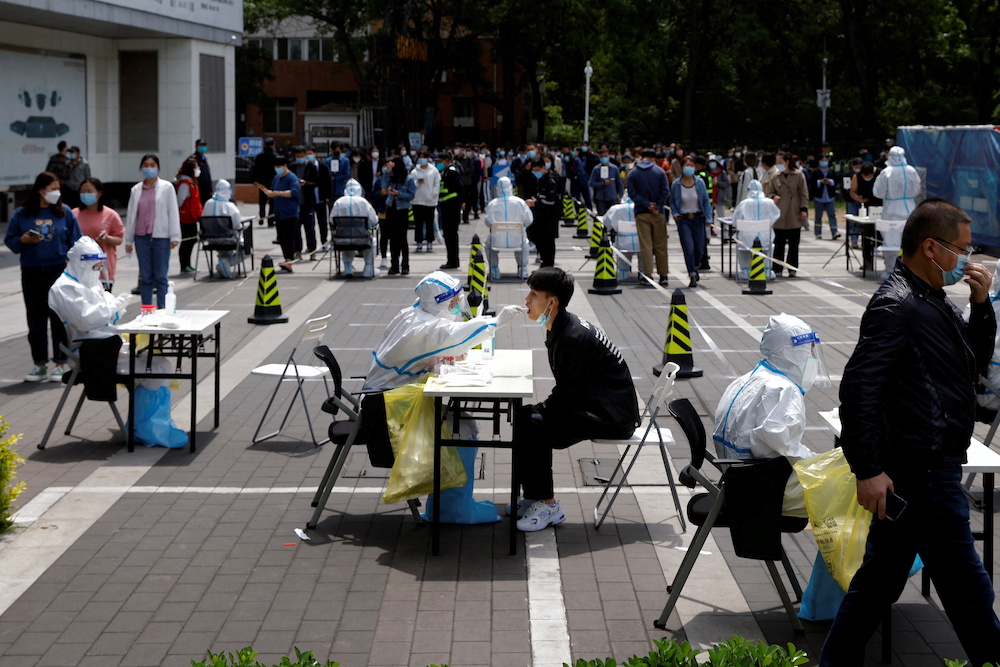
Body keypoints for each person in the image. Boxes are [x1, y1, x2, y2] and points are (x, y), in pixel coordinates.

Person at [820, 199, 1000, 665]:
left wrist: (981, 308)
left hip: (923, 464)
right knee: (969, 590)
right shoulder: (897, 304)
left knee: (879, 581)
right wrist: (868, 470)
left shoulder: (929, 298)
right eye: (961, 249)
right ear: (930, 247)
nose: (968, 258)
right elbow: (859, 389)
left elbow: (971, 366)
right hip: (921, 471)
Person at [511, 267, 640, 531]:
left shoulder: (571, 337)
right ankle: (534, 497)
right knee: (525, 416)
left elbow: (569, 394)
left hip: (612, 417)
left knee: (533, 423)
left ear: (551, 302)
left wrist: (543, 409)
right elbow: (571, 391)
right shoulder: (560, 325)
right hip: (596, 403)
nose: (526, 299)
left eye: (533, 294)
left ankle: (548, 505)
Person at [713, 313, 830, 517]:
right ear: (791, 352)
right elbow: (776, 447)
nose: (813, 357)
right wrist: (817, 464)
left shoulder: (749, 379)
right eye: (809, 349)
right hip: (765, 490)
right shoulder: (783, 390)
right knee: (851, 489)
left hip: (738, 480)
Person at [365, 271, 523, 390]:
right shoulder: (423, 327)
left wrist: (442, 354)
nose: (456, 308)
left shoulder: (414, 313)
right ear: (438, 303)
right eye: (452, 303)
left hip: (394, 390)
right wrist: (496, 322)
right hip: (385, 400)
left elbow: (423, 350)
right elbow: (453, 336)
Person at [4, 171, 82, 382]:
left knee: (58, 318)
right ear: (40, 190)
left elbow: (78, 241)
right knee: (35, 318)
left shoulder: (64, 212)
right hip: (32, 270)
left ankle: (60, 362)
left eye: (58, 188)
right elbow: (10, 242)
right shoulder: (22, 213)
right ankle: (39, 364)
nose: (56, 192)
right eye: (52, 189)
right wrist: (23, 240)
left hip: (58, 270)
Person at [48, 237, 132, 345]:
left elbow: (105, 307)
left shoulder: (89, 282)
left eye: (100, 267)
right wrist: (113, 307)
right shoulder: (64, 287)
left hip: (102, 338)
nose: (98, 272)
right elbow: (85, 320)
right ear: (81, 265)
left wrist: (115, 307)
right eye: (95, 267)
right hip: (87, 345)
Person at [124, 155, 180, 309]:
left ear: (158, 168)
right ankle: (147, 310)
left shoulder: (167, 187)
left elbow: (173, 212)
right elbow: (131, 216)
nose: (149, 168)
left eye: (152, 165)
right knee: (146, 277)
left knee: (161, 277)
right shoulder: (136, 190)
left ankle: (163, 310)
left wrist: (174, 236)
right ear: (141, 168)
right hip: (141, 238)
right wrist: (128, 241)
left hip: (161, 238)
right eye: (146, 165)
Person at [627, 149, 671, 286]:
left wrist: (646, 204)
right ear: (654, 158)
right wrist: (657, 206)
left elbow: (632, 193)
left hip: (641, 212)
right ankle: (663, 275)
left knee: (646, 245)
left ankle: (648, 274)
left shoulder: (633, 173)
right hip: (658, 214)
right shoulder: (659, 172)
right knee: (660, 245)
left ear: (641, 157)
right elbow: (665, 190)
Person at [668, 156, 713, 289]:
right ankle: (692, 273)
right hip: (684, 220)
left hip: (698, 218)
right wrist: (675, 213)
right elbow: (672, 201)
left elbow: (705, 201)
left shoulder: (699, 183)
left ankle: (696, 265)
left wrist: (709, 219)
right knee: (689, 247)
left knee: (700, 248)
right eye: (687, 165)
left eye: (692, 166)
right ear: (682, 168)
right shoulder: (677, 184)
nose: (689, 168)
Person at [74, 178, 125, 291]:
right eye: (83, 192)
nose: (85, 195)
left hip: (102, 270)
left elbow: (119, 239)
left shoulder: (111, 215)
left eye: (89, 191)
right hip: (78, 269)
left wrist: (107, 238)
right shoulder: (74, 214)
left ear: (99, 193)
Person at [256, 155, 300, 273]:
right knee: (282, 238)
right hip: (279, 214)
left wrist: (278, 193)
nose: (277, 169)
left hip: (290, 213)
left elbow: (294, 192)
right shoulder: (276, 178)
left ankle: (290, 261)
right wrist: (267, 192)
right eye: (276, 166)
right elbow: (272, 191)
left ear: (285, 166)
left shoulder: (292, 178)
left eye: (279, 166)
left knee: (289, 238)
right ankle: (287, 259)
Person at [483, 176, 533, 280]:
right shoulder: (520, 202)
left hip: (497, 242)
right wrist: (521, 226)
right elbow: (529, 220)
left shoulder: (492, 204)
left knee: (487, 245)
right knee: (525, 244)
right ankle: (522, 269)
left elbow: (488, 222)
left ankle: (494, 269)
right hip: (517, 241)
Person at [769, 152, 810, 278]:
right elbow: (770, 192)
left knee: (794, 244)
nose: (778, 165)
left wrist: (804, 209)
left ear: (787, 162)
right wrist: (773, 197)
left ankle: (792, 268)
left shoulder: (798, 175)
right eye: (777, 162)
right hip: (780, 214)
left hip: (794, 213)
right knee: (778, 244)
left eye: (780, 162)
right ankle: (777, 268)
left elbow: (804, 193)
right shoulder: (775, 176)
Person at [732, 180, 779, 282]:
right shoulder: (769, 203)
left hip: (746, 241)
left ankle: (746, 270)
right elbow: (775, 216)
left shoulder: (744, 203)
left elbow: (735, 221)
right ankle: (766, 270)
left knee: (741, 245)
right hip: (765, 239)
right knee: (770, 246)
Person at [330, 178, 379, 277]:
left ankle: (348, 267)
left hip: (341, 240)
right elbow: (373, 220)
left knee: (346, 243)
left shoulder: (339, 202)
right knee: (373, 241)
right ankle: (368, 269)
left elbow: (331, 220)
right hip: (362, 239)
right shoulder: (363, 202)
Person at [201, 179, 245, 279]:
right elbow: (237, 225)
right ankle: (226, 263)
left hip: (210, 239)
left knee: (224, 251)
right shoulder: (230, 206)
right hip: (228, 239)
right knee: (247, 249)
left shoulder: (208, 203)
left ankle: (223, 262)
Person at [380, 160, 416, 275]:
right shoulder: (390, 177)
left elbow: (411, 195)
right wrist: (387, 172)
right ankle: (394, 265)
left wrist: (399, 193)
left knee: (402, 239)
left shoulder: (409, 179)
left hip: (402, 210)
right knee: (392, 238)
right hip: (391, 209)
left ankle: (405, 265)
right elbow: (384, 187)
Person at [524, 159, 561, 268]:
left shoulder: (551, 181)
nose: (536, 173)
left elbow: (551, 200)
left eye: (537, 170)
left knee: (548, 244)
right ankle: (545, 264)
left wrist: (535, 203)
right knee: (537, 239)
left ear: (544, 168)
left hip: (549, 217)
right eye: (534, 171)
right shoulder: (540, 180)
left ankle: (548, 266)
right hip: (540, 216)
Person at [174, 156, 202, 274]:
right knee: (187, 241)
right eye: (196, 167)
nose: (198, 169)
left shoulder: (191, 183)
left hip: (192, 217)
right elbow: (179, 200)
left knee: (192, 240)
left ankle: (188, 264)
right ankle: (184, 265)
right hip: (185, 217)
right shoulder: (185, 184)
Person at [602, 193, 640, 282]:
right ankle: (642, 274)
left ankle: (622, 274)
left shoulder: (615, 209)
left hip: (622, 241)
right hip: (640, 241)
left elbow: (606, 222)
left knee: (622, 259)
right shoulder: (641, 207)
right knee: (643, 258)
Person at [291, 145, 320, 261]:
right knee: (296, 230)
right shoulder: (292, 167)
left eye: (302, 156)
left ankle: (312, 251)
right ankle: (297, 251)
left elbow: (317, 182)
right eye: (298, 156)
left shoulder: (311, 167)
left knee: (310, 229)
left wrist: (306, 183)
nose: (300, 158)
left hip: (308, 203)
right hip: (296, 204)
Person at [437, 152, 464, 270]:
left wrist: (462, 202)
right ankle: (451, 260)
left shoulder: (452, 171)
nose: (439, 163)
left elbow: (460, 187)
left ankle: (453, 261)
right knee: (449, 235)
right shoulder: (446, 171)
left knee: (451, 235)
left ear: (447, 160)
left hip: (451, 208)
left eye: (440, 161)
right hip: (447, 207)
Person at [410, 150, 440, 253]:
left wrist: (434, 194)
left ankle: (429, 242)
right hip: (417, 200)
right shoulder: (414, 171)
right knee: (418, 223)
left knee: (429, 222)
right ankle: (419, 242)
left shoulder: (434, 170)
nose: (422, 159)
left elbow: (437, 183)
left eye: (424, 157)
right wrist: (418, 182)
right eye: (420, 157)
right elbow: (411, 185)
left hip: (430, 201)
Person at [810, 156, 840, 240]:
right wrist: (820, 182)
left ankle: (834, 231)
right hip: (818, 197)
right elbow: (812, 183)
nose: (824, 162)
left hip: (830, 197)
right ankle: (818, 233)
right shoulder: (815, 172)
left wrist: (829, 181)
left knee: (832, 215)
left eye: (825, 160)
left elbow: (836, 181)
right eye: (822, 160)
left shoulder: (831, 171)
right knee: (818, 216)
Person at [589, 148, 624, 216]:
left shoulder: (614, 168)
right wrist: (602, 183)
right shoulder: (596, 169)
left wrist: (621, 196)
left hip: (612, 197)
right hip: (600, 197)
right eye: (602, 156)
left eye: (606, 156)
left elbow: (619, 183)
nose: (604, 158)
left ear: (609, 156)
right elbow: (591, 183)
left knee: (612, 217)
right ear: (599, 157)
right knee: (601, 217)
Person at [252, 138, 277, 223]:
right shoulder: (275, 156)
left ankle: (262, 218)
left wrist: (255, 180)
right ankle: (270, 220)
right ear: (273, 145)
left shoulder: (260, 156)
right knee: (272, 202)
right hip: (274, 182)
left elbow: (255, 169)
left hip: (262, 181)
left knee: (262, 201)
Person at [190, 139, 213, 205]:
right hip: (199, 191)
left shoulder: (204, 159)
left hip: (207, 192)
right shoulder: (193, 159)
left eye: (204, 145)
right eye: (201, 145)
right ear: (196, 147)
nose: (203, 147)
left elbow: (207, 176)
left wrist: (210, 190)